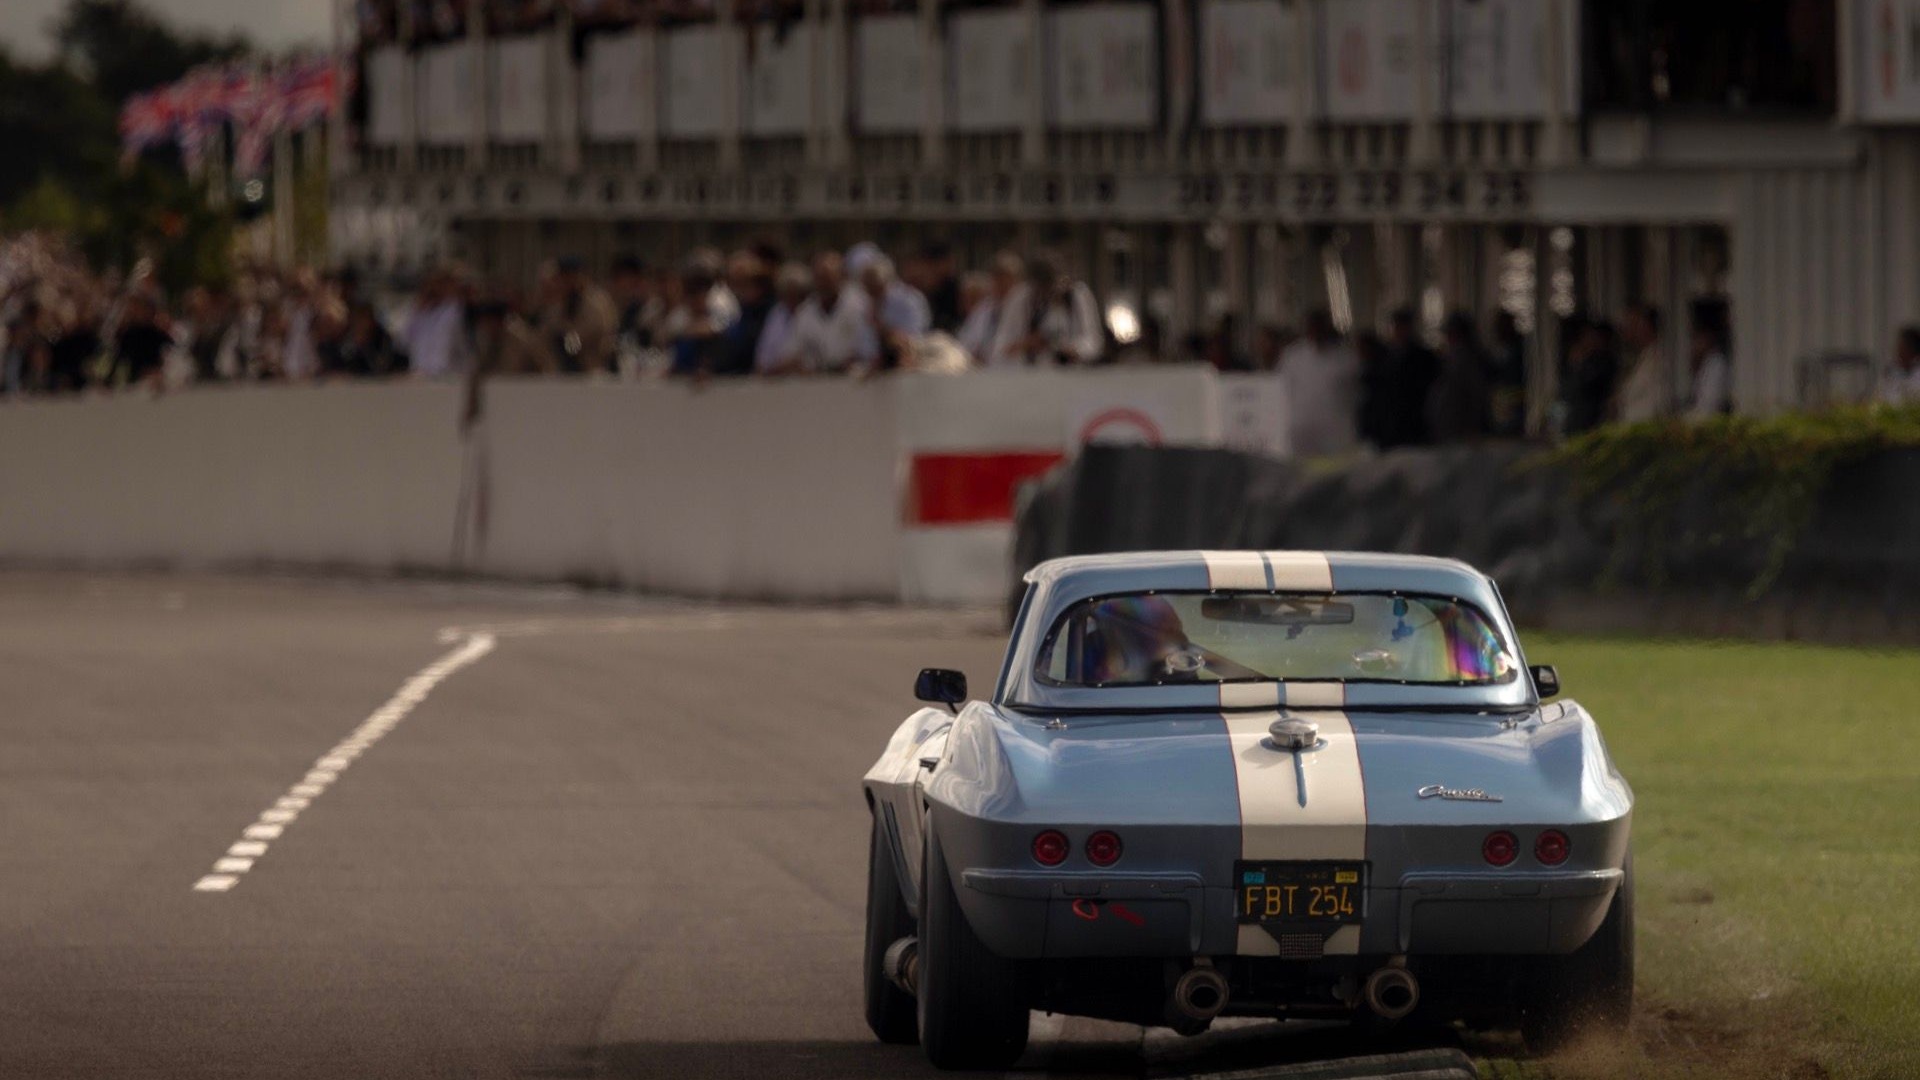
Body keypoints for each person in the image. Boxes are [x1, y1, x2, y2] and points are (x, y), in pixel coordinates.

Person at [988, 252, 1103, 366]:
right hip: (1031, 373)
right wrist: (1026, 344)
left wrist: (1074, 350)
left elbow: (1094, 341)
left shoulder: (1076, 296)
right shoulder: (1021, 298)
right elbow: (999, 348)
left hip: (1072, 372)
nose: (1046, 293)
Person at [1277, 307, 1361, 456]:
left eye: (1318, 326)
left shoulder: (1346, 358)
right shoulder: (1292, 356)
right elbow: (1283, 390)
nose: (1314, 331)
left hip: (1335, 430)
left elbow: (1356, 393)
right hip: (1301, 430)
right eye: (1311, 326)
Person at [1360, 307, 1438, 449]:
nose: (1400, 331)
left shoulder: (1423, 357)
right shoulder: (1383, 356)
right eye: (1397, 326)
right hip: (1387, 424)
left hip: (1412, 421)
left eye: (1403, 326)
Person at [781, 251, 868, 374]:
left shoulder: (860, 305)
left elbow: (869, 349)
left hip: (855, 379)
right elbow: (791, 352)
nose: (823, 284)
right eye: (819, 278)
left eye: (828, 278)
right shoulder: (805, 312)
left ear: (841, 277)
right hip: (818, 381)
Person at [538, 256, 619, 374]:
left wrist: (560, 338)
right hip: (564, 371)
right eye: (564, 276)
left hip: (595, 370)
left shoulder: (597, 303)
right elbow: (544, 337)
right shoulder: (559, 304)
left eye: (572, 276)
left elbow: (576, 344)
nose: (568, 281)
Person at [855, 254, 930, 372]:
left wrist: (883, 330)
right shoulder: (864, 304)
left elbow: (915, 337)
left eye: (873, 285)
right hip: (873, 368)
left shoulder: (909, 301)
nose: (869, 291)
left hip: (908, 365)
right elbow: (864, 345)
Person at [1428, 311, 1491, 443]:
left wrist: (1473, 426)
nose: (1448, 338)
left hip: (1463, 431)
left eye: (1452, 333)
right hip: (1451, 429)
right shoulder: (1451, 359)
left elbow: (1476, 395)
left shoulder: (1469, 361)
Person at [402, 266, 472, 379]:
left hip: (449, 374)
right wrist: (417, 311)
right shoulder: (421, 314)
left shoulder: (455, 310)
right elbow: (405, 342)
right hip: (421, 373)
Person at [956, 251, 1022, 363]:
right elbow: (966, 341)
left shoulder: (1023, 307)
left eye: (1005, 277)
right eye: (997, 277)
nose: (1001, 282)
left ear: (1016, 280)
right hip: (982, 370)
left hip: (1014, 370)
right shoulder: (983, 308)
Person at [716, 250, 774, 377]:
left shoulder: (771, 311)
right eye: (735, 282)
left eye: (745, 282)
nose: (740, 289)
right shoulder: (736, 308)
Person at [1560, 318, 1619, 436]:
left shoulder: (1603, 363)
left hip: (1592, 422)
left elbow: (1585, 387)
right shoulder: (1582, 361)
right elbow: (1566, 391)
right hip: (1576, 421)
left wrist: (1579, 364)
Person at [1615, 304, 1672, 423]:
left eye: (1636, 325)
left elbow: (1658, 401)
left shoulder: (1658, 358)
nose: (1631, 331)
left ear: (1647, 327)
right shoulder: (1639, 357)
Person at [753, 261, 811, 375]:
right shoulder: (776, 314)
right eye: (788, 293)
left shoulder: (811, 312)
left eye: (796, 294)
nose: (792, 298)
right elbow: (762, 356)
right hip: (775, 379)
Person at [109, 292, 173, 391]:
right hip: (134, 384)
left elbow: (171, 352)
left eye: (143, 309)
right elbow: (119, 359)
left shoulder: (157, 332)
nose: (140, 313)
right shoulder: (127, 334)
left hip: (157, 381)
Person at [1487, 311, 1528, 437]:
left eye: (1501, 327)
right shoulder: (1499, 350)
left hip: (1518, 403)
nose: (1498, 332)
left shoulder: (1520, 349)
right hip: (1504, 404)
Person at [1686, 318, 1732, 418]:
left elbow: (1710, 403)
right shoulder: (1705, 363)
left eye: (1697, 338)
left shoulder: (1717, 363)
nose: (1694, 344)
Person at [1879, 326, 1920, 405]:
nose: (1898, 352)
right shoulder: (1892, 373)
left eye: (1902, 348)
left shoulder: (1917, 374)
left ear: (1912, 349)